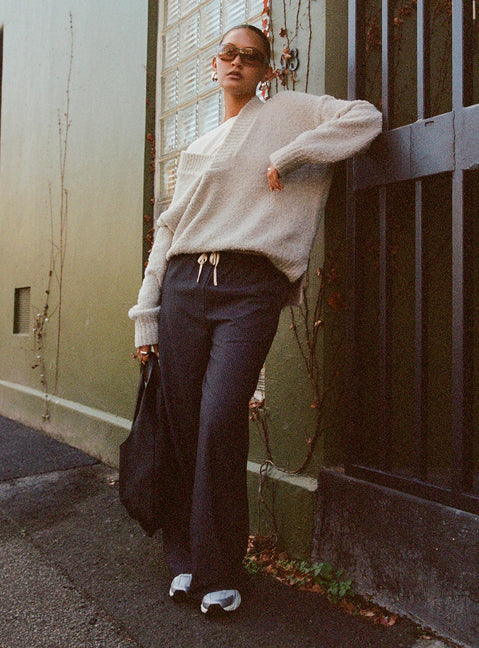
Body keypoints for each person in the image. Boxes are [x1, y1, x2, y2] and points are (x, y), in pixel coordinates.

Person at [128, 23, 382, 615]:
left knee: (220, 420)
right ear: (214, 65)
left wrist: (292, 156)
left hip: (250, 288)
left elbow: (365, 118)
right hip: (184, 287)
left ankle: (220, 568)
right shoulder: (198, 148)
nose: (237, 62)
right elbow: (167, 231)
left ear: (268, 70)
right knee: (182, 425)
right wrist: (146, 314)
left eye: (252, 56)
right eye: (228, 54)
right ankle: (186, 560)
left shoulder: (290, 112)